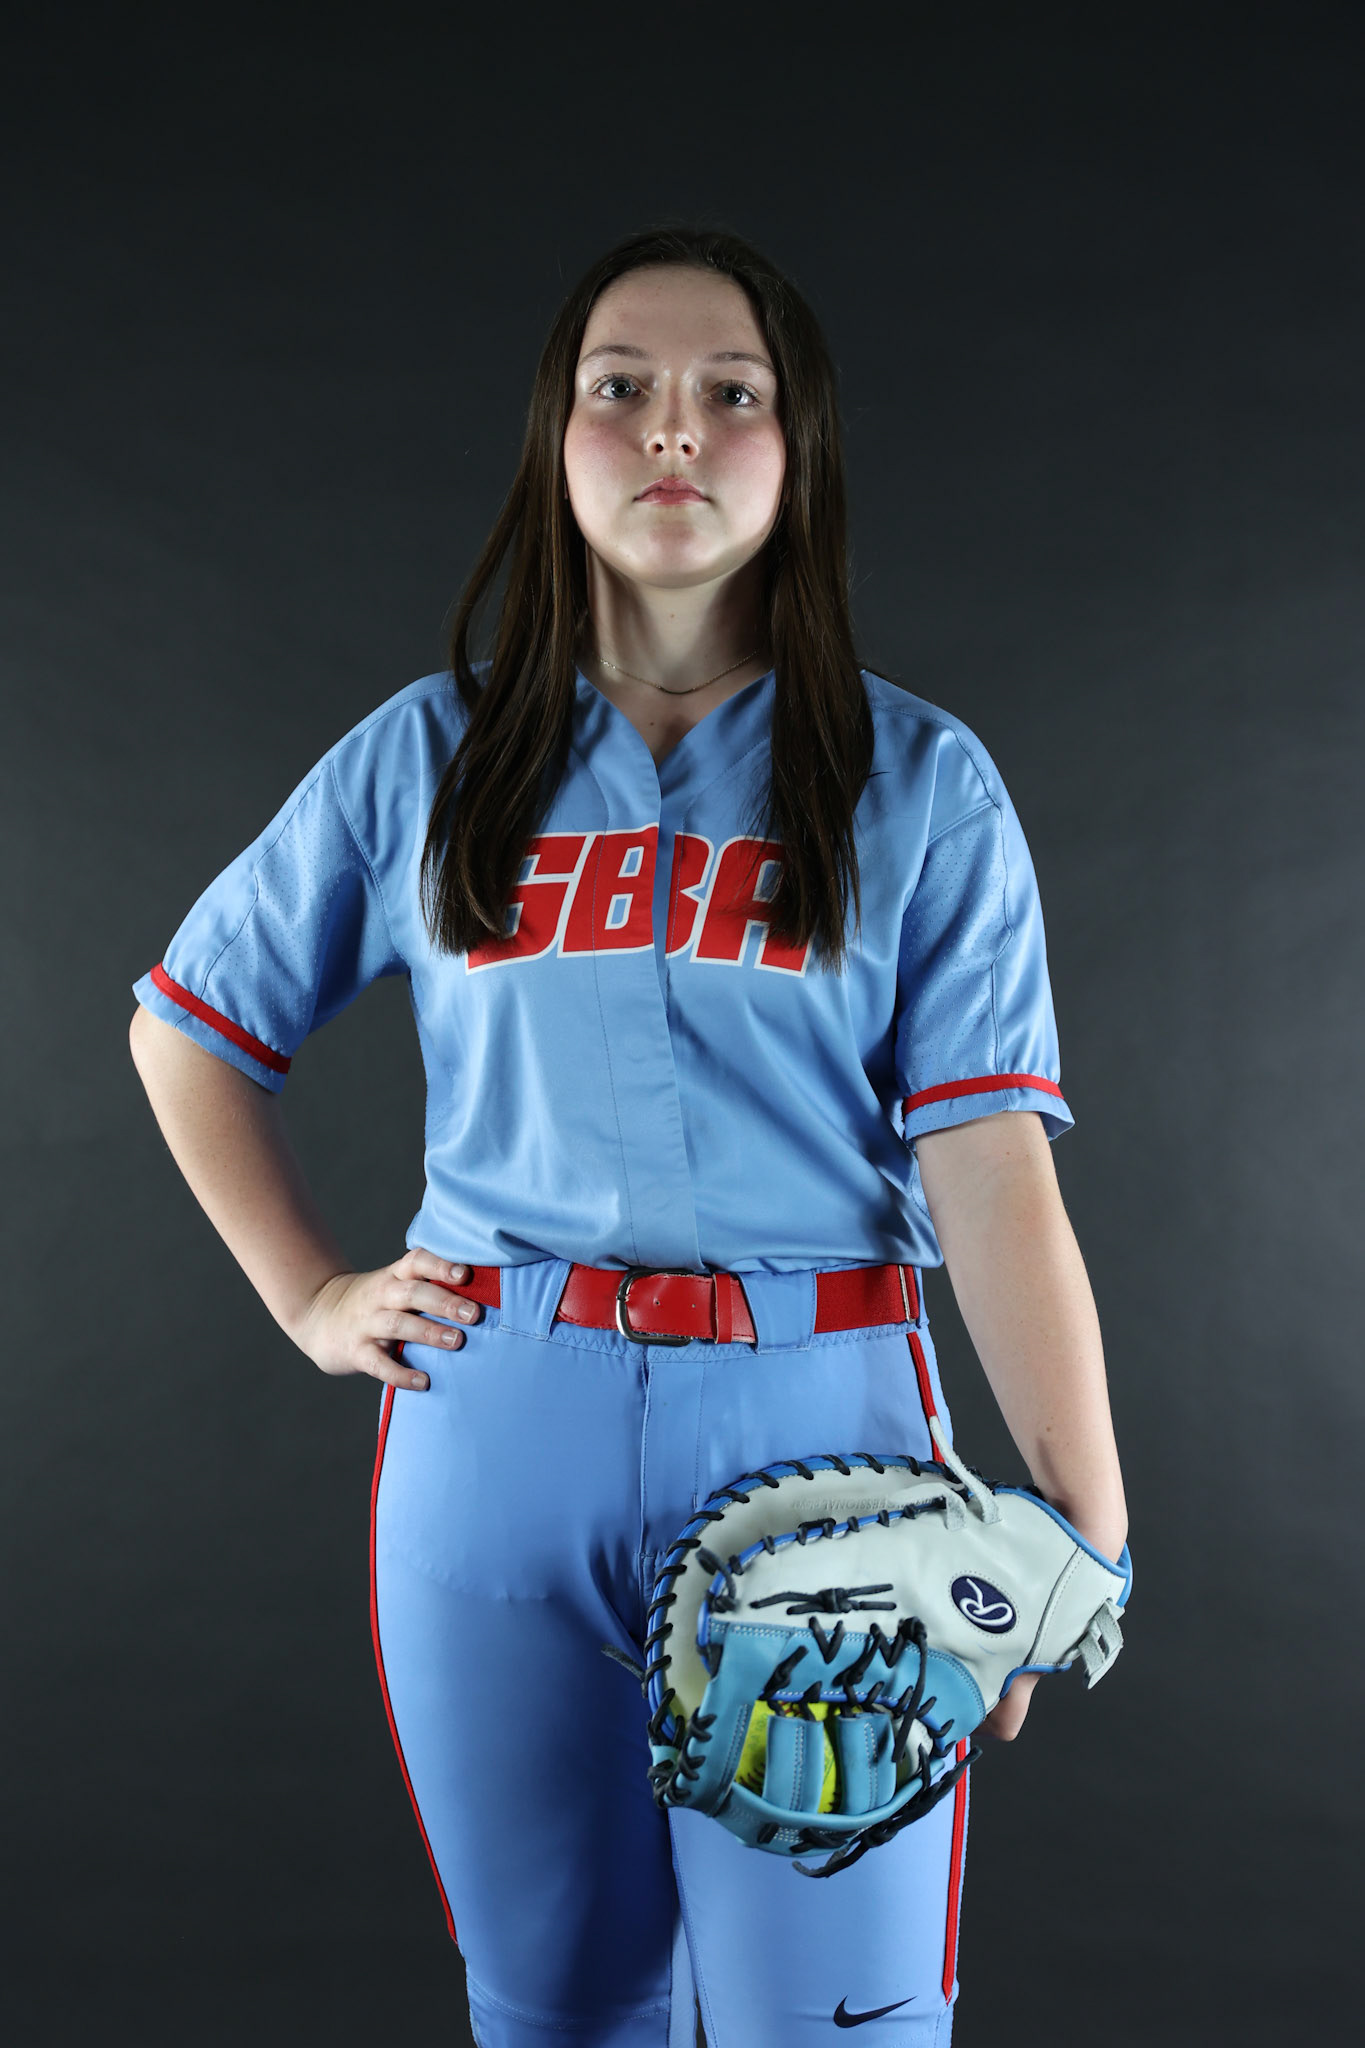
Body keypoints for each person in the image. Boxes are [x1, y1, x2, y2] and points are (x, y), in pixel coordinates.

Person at [129, 224, 1128, 2048]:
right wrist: (310, 1295)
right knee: (553, 2013)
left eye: (729, 394)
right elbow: (185, 1030)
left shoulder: (917, 782)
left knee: (832, 2030)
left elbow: (992, 1167)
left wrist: (1084, 1521)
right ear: (555, 437)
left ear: (797, 446)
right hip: (497, 1432)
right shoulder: (425, 760)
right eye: (621, 390)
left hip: (825, 1451)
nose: (673, 431)